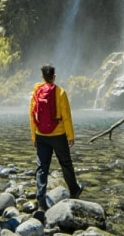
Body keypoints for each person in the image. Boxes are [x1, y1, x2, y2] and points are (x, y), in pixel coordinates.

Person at [30, 64, 82, 210]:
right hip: (58, 134)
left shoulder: (36, 92)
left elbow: (32, 115)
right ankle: (74, 190)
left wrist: (34, 135)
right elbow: (66, 116)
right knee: (65, 163)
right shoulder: (60, 92)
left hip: (41, 135)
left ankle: (41, 200)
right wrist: (70, 135)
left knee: (42, 167)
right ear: (54, 77)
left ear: (42, 77)